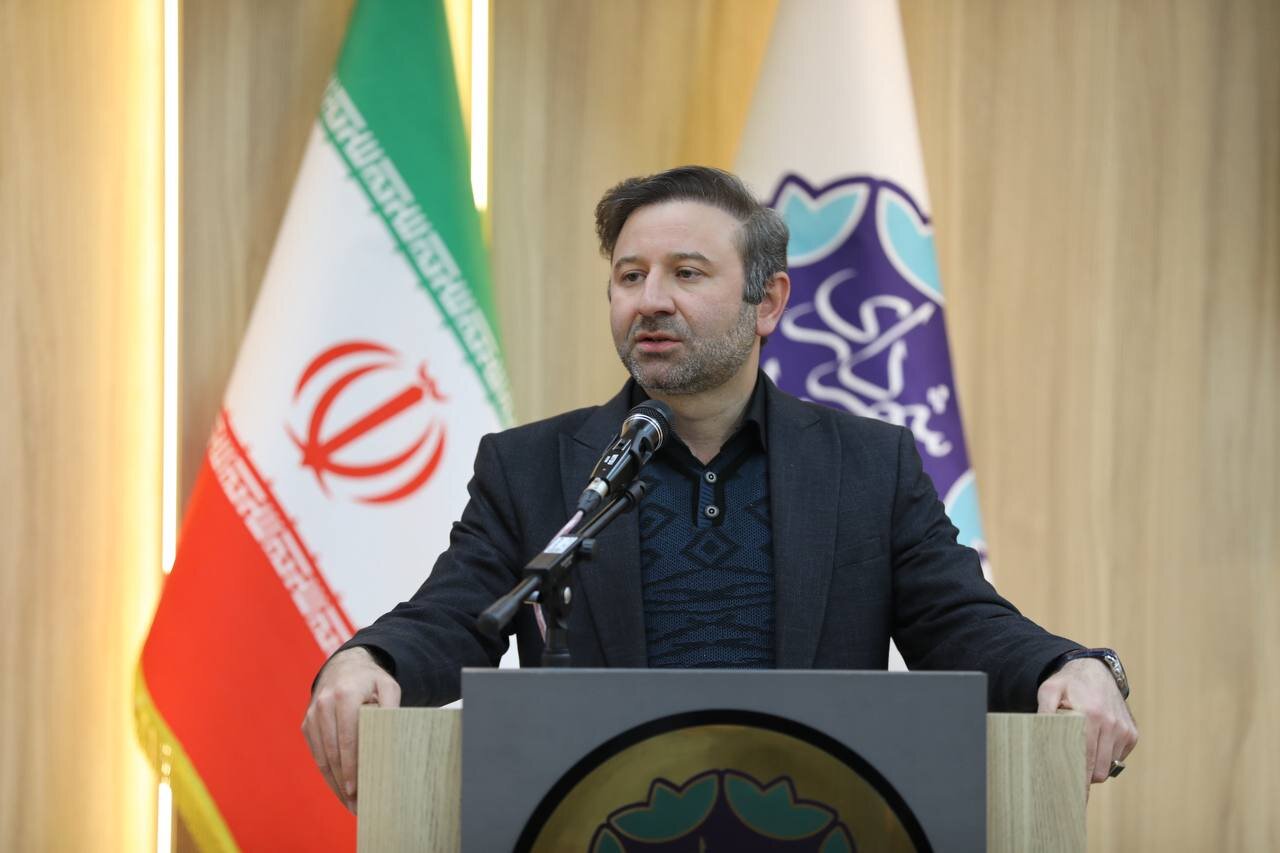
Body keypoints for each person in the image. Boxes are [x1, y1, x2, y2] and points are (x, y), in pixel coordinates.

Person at [302, 165, 1138, 813]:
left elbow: (959, 621)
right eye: (630, 276)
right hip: (604, 820)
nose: (650, 301)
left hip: (811, 818)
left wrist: (1067, 666)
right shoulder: (533, 466)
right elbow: (459, 613)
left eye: (687, 273)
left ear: (766, 301)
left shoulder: (866, 465)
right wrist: (369, 658)